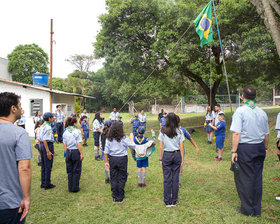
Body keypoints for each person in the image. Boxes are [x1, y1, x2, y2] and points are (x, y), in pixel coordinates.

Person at [230, 86, 269, 217]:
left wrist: (234, 151)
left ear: (242, 97)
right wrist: (266, 148)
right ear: (255, 97)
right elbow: (267, 134)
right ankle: (256, 208)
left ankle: (247, 209)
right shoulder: (262, 112)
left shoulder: (240, 111)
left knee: (245, 178)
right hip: (259, 147)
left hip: (246, 148)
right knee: (257, 178)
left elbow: (236, 133)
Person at [0, 92, 33, 224]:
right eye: (19, 105)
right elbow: (24, 168)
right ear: (13, 109)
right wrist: (26, 198)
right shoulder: (19, 133)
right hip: (10, 202)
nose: (21, 109)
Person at [104, 122, 136, 203]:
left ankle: (115, 196)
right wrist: (131, 138)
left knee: (114, 176)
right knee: (122, 176)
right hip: (122, 159)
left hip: (112, 159)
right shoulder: (124, 138)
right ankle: (120, 196)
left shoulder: (109, 138)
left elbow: (106, 151)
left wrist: (106, 161)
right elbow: (133, 146)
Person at [158, 112, 184, 207]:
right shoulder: (179, 131)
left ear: (167, 120)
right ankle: (174, 200)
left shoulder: (163, 130)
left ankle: (167, 201)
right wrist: (182, 160)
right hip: (177, 154)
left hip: (167, 155)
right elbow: (181, 147)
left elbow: (160, 147)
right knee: (175, 178)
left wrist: (160, 159)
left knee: (167, 178)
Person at [63, 117, 84, 193]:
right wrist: (81, 153)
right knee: (76, 169)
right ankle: (75, 187)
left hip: (68, 151)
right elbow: (78, 143)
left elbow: (64, 143)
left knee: (70, 170)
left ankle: (70, 186)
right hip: (75, 151)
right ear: (74, 123)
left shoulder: (65, 131)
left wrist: (67, 152)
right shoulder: (77, 131)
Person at [39, 112, 56, 190]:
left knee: (43, 165)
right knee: (48, 165)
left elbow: (40, 138)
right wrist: (48, 151)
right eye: (52, 117)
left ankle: (43, 182)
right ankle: (47, 184)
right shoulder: (48, 127)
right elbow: (45, 139)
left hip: (42, 145)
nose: (53, 119)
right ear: (49, 118)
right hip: (47, 145)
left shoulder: (42, 125)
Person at [179, 122, 200, 187]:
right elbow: (190, 138)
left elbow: (190, 138)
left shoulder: (182, 130)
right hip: (177, 150)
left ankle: (177, 182)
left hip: (176, 151)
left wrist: (196, 147)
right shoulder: (182, 129)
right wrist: (196, 147)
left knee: (178, 166)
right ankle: (178, 182)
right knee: (180, 165)